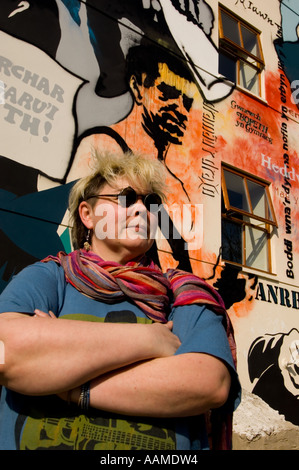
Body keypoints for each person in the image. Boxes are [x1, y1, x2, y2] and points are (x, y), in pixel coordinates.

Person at [0, 150, 240, 450]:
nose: (141, 209)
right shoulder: (51, 278)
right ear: (87, 215)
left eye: (151, 203)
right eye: (125, 198)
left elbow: (210, 384)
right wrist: (148, 341)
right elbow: (5, 353)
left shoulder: (184, 294)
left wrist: (72, 385)